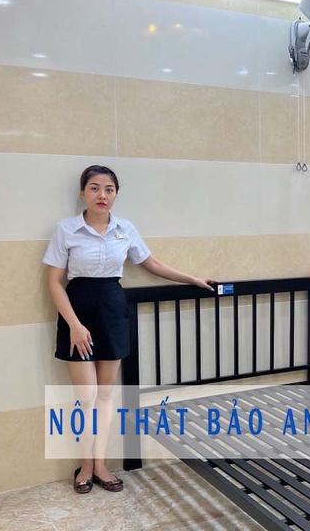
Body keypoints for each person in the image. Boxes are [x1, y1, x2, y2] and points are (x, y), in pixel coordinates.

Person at [43, 165, 214, 493]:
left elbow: (152, 264)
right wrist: (74, 325)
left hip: (112, 310)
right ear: (83, 193)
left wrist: (192, 279)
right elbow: (53, 282)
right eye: (94, 188)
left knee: (106, 395)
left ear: (116, 194)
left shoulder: (125, 229)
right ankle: (86, 465)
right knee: (86, 397)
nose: (102, 195)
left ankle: (101, 464)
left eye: (109, 189)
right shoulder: (66, 230)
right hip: (77, 312)